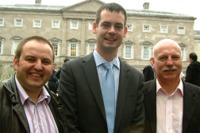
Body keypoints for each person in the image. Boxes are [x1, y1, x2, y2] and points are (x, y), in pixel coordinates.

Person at [58, 3, 145, 133]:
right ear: (95, 27)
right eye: (106, 25)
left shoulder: (135, 77)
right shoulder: (71, 70)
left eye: (118, 26)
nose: (112, 31)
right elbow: (68, 121)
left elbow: (138, 123)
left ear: (125, 32)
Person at [0, 36, 66, 133]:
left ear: (52, 67)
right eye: (31, 59)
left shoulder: (57, 103)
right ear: (16, 62)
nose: (39, 67)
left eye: (45, 62)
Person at [143, 39, 200, 133]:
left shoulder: (198, 95)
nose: (170, 63)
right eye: (163, 58)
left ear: (181, 60)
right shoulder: (139, 95)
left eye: (175, 57)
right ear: (152, 62)